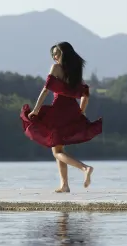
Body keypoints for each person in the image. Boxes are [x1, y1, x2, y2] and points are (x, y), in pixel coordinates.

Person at [20, 42, 103, 193]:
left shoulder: (56, 68)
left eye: (56, 54)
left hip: (58, 111)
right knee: (58, 148)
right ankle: (64, 185)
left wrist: (36, 110)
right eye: (52, 54)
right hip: (71, 111)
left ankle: (84, 168)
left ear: (63, 55)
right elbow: (85, 96)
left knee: (56, 151)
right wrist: (80, 113)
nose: (54, 57)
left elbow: (46, 90)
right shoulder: (75, 73)